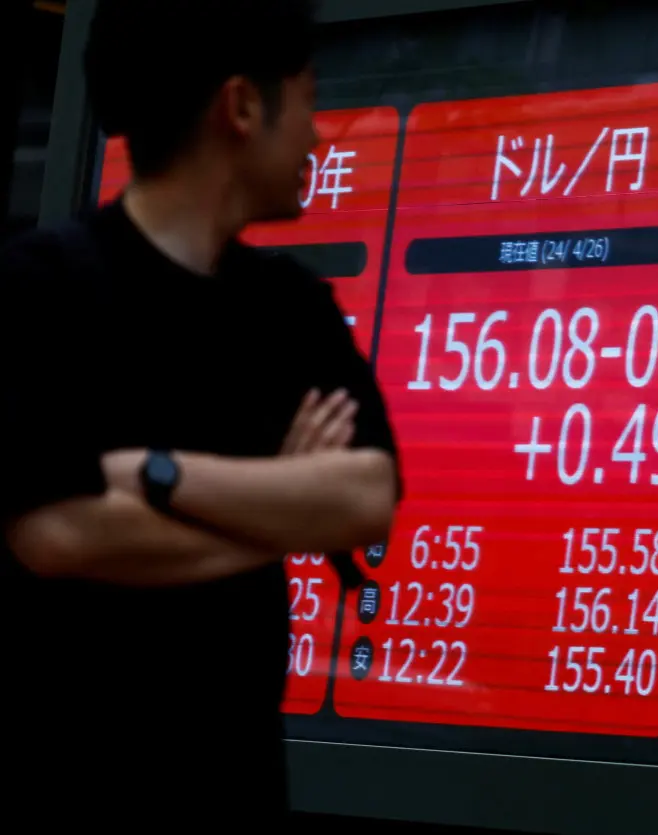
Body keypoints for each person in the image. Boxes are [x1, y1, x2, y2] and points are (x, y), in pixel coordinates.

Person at [0, 0, 400, 823]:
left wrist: (156, 475)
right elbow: (56, 533)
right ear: (243, 106)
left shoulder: (293, 309)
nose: (319, 139)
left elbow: (366, 499)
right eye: (308, 103)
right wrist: (284, 504)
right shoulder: (41, 290)